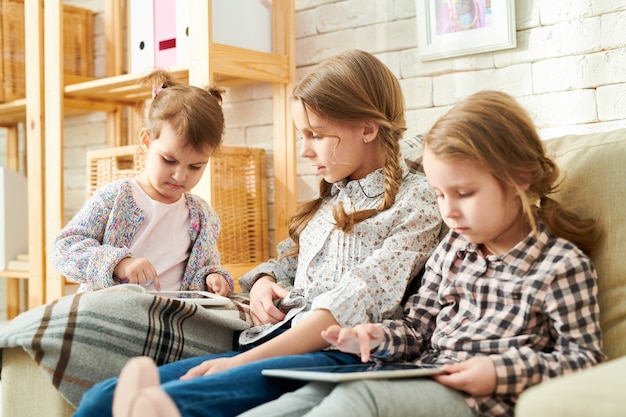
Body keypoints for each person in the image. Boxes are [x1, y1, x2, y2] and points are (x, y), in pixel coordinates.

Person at [72, 49, 443, 417]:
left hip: (338, 353)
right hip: (273, 340)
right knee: (103, 398)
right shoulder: (332, 198)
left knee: (176, 401)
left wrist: (241, 362)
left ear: (367, 128)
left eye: (315, 135)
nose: (303, 151)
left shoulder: (419, 199)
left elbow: (358, 297)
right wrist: (264, 281)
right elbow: (286, 264)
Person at [237, 90, 608, 417]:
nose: (449, 212)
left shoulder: (561, 266)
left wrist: (499, 372)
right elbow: (418, 329)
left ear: (519, 179)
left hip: (483, 400)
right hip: (421, 373)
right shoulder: (454, 249)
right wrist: (374, 337)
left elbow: (585, 361)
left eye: (464, 194)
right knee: (307, 396)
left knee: (361, 398)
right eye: (439, 194)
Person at [53, 69, 233, 295]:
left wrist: (212, 278)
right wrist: (119, 264)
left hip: (172, 315)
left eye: (195, 166)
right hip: (115, 310)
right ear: (146, 141)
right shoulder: (114, 198)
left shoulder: (203, 217)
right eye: (169, 160)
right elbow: (64, 249)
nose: (180, 176)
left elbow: (203, 268)